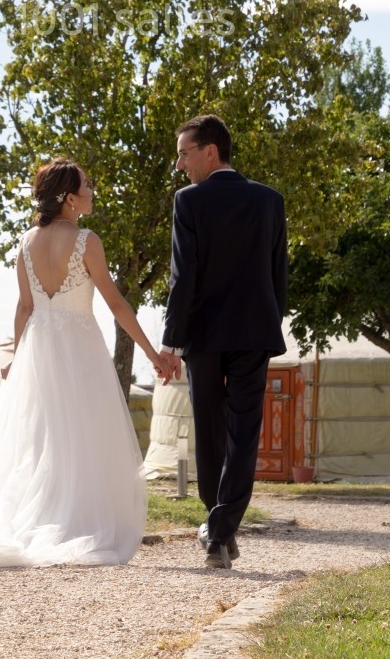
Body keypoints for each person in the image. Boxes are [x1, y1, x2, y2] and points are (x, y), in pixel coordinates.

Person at [0, 158, 166, 568]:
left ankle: (40, 519)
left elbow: (25, 307)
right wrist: (153, 354)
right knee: (81, 434)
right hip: (79, 347)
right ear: (68, 198)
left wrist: (16, 356)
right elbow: (116, 303)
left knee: (41, 437)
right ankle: (71, 523)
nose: (92, 191)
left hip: (39, 349)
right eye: (87, 185)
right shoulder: (87, 240)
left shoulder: (27, 242)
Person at [160, 114, 287, 569]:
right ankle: (222, 529)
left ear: (209, 151)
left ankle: (217, 531)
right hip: (255, 332)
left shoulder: (188, 202)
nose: (179, 164)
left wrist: (171, 343)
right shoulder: (270, 201)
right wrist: (270, 320)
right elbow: (278, 277)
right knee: (243, 434)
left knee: (211, 433)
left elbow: (184, 277)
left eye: (183, 153)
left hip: (204, 336)